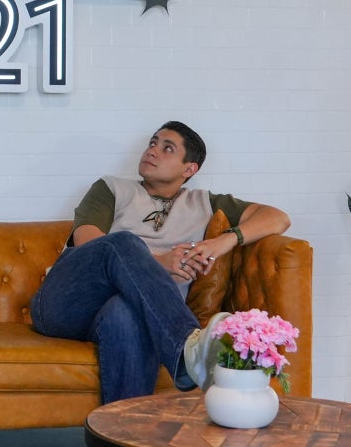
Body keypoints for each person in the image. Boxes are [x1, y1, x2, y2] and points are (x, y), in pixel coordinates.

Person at [30, 121, 291, 403]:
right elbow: (87, 240)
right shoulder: (111, 189)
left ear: (189, 169)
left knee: (125, 313)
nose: (152, 151)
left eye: (167, 148)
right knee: (124, 242)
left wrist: (223, 241)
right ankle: (186, 347)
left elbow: (278, 218)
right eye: (153, 143)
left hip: (120, 314)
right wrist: (160, 263)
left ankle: (125, 425)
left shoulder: (205, 203)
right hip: (64, 304)